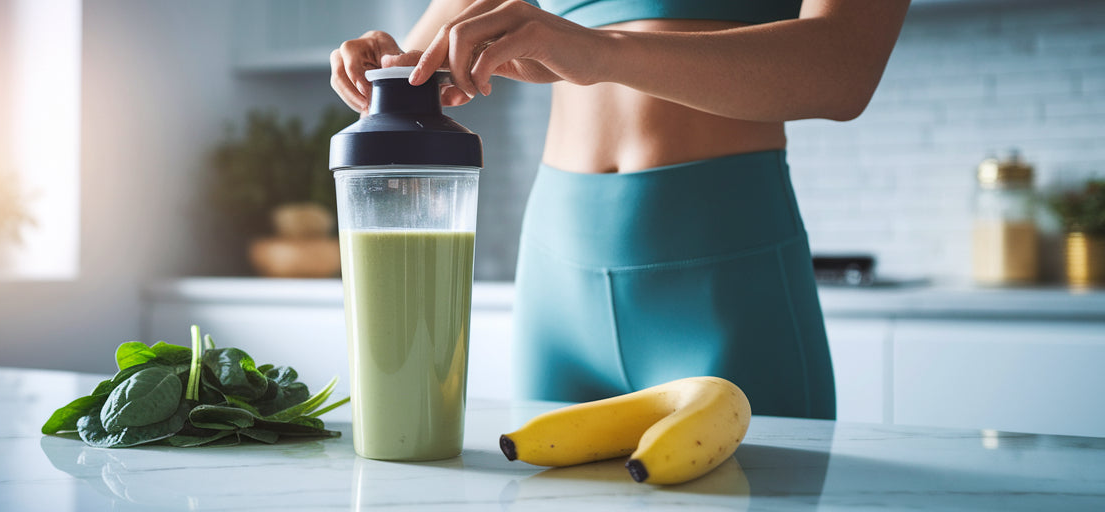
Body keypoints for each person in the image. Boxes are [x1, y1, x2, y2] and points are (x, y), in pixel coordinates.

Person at [329, 0, 909, 419]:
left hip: (724, 273)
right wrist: (383, 65)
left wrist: (599, 50)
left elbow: (846, 68)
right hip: (557, 278)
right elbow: (431, 57)